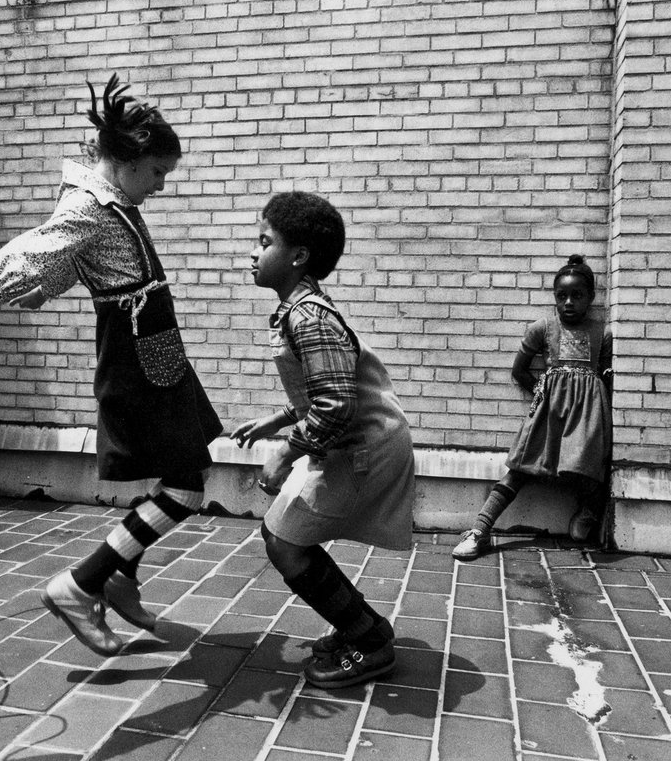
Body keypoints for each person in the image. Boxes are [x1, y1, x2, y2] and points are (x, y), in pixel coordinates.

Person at [0, 74, 223, 654]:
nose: (162, 187)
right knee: (184, 489)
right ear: (127, 160)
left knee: (182, 472)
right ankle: (80, 583)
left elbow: (66, 264)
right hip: (139, 357)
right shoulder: (90, 206)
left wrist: (45, 288)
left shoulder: (108, 201)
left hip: (155, 351)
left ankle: (119, 576)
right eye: (158, 174)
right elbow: (36, 251)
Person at [231, 192, 416, 689]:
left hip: (363, 451)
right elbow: (326, 389)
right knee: (280, 536)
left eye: (263, 241)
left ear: (298, 257)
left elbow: (336, 404)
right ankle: (364, 628)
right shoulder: (301, 309)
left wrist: (285, 455)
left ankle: (371, 645)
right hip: (348, 443)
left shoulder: (308, 317)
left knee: (286, 544)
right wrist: (276, 420)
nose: (253, 252)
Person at [452, 254, 612, 561]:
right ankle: (480, 530)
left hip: (586, 416)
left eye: (577, 295)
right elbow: (519, 370)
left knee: (585, 468)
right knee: (519, 469)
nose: (568, 302)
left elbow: (604, 376)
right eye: (561, 296)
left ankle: (589, 511)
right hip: (548, 414)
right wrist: (538, 388)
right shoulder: (543, 328)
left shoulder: (601, 333)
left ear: (590, 297)